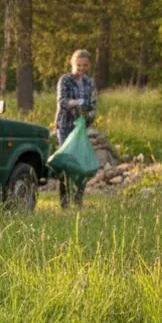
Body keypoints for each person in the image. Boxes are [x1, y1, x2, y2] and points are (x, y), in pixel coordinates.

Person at [55, 49, 97, 208]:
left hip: (81, 128)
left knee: (81, 163)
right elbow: (63, 102)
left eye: (85, 65)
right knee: (67, 163)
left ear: (89, 65)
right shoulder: (65, 80)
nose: (81, 68)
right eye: (78, 65)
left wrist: (87, 116)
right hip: (65, 126)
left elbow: (93, 106)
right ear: (72, 63)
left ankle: (78, 200)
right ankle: (64, 202)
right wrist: (78, 104)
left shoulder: (90, 82)